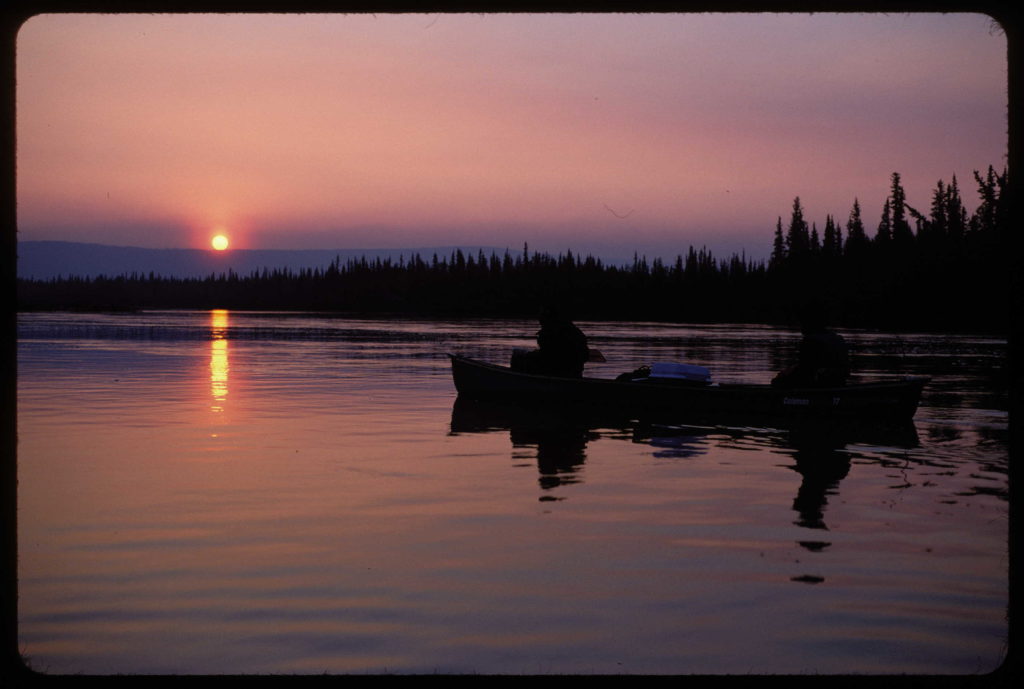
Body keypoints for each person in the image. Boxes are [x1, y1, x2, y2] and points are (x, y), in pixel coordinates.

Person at [772, 304, 850, 388]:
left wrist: (784, 375)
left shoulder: (810, 341)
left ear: (809, 323)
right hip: (839, 383)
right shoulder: (838, 338)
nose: (800, 327)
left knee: (777, 382)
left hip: (820, 384)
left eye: (802, 323)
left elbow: (804, 370)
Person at [510, 306, 590, 378]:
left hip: (556, 372)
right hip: (573, 372)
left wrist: (529, 355)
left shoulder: (551, 333)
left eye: (541, 317)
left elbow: (548, 356)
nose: (539, 319)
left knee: (518, 357)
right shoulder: (574, 331)